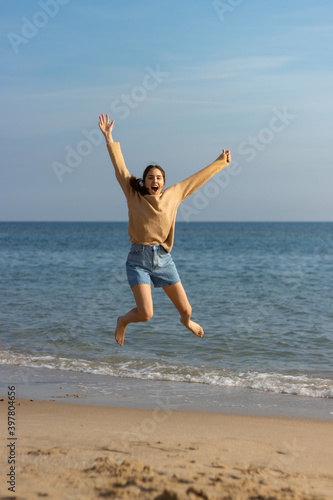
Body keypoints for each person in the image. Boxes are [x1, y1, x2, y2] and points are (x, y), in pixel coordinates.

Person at [98, 114, 231, 346]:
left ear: (164, 182)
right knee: (146, 314)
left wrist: (220, 162)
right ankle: (123, 321)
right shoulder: (133, 195)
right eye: (150, 177)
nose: (154, 180)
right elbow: (120, 169)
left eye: (159, 177)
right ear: (145, 181)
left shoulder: (173, 195)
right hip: (138, 259)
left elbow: (197, 179)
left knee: (187, 310)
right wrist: (109, 139)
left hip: (163, 259)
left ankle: (186, 322)